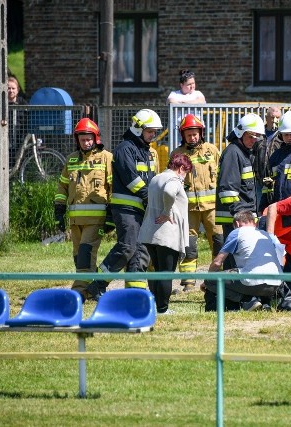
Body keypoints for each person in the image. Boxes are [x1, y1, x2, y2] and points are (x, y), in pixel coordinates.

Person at [93, 109, 162, 296]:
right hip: (126, 209)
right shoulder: (125, 149)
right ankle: (98, 283)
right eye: (150, 131)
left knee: (140, 250)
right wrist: (150, 196)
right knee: (127, 247)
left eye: (155, 132)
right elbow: (132, 179)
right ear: (138, 129)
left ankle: (135, 293)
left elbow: (151, 179)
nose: (153, 135)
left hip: (141, 209)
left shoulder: (147, 151)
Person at [54, 118, 113, 302]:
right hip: (75, 220)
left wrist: (111, 215)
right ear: (77, 140)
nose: (86, 142)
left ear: (96, 138)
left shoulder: (106, 158)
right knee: (79, 257)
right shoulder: (71, 159)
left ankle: (78, 292)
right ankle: (92, 289)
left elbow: (112, 187)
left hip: (96, 219)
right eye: (82, 139)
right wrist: (59, 209)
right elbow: (63, 186)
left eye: (89, 139)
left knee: (86, 254)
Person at [169, 114, 224, 293]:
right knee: (188, 245)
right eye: (189, 135)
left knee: (218, 242)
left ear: (201, 133)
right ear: (182, 135)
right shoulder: (177, 154)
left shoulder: (212, 150)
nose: (192, 137)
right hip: (187, 210)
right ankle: (188, 283)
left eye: (195, 134)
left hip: (212, 209)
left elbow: (222, 175)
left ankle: (217, 279)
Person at [139, 153, 193, 314]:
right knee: (166, 272)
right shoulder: (174, 180)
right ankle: (163, 309)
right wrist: (167, 211)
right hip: (167, 233)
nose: (185, 177)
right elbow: (169, 192)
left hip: (150, 233)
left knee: (156, 271)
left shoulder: (156, 178)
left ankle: (155, 307)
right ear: (182, 168)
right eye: (186, 172)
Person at [202, 210, 283, 312]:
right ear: (255, 222)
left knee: (211, 280)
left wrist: (208, 280)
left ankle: (247, 301)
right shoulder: (265, 234)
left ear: (236, 223)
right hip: (275, 284)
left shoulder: (237, 232)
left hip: (253, 283)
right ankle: (265, 303)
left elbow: (217, 262)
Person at [215, 113, 264, 268]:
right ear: (240, 133)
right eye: (251, 137)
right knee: (233, 262)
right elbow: (227, 191)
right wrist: (242, 217)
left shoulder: (244, 153)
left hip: (242, 218)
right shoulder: (233, 153)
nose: (254, 140)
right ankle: (229, 291)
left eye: (257, 137)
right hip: (235, 219)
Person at [253, 106, 281, 209]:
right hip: (259, 180)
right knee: (259, 210)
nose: (275, 120)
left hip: (275, 181)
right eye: (272, 117)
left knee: (275, 209)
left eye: (278, 117)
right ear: (266, 118)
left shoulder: (282, 136)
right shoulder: (259, 134)